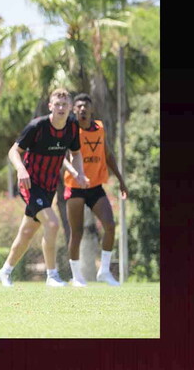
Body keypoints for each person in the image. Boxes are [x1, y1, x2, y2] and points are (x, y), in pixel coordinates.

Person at [0, 88, 87, 288]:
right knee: (52, 224)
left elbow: (76, 153)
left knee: (27, 232)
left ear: (70, 108)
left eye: (65, 105)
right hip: (30, 184)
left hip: (49, 187)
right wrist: (21, 169)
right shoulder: (37, 126)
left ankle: (5, 271)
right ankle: (52, 275)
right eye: (57, 104)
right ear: (50, 106)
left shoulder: (72, 127)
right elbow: (14, 151)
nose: (61, 108)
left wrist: (79, 173)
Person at [62, 93, 129, 287]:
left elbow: (108, 154)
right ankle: (77, 277)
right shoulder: (70, 130)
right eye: (79, 106)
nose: (83, 109)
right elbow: (62, 157)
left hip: (95, 187)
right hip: (75, 187)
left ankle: (104, 272)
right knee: (76, 233)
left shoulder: (99, 128)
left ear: (92, 109)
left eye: (86, 106)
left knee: (110, 225)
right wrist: (74, 172)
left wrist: (121, 180)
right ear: (74, 110)